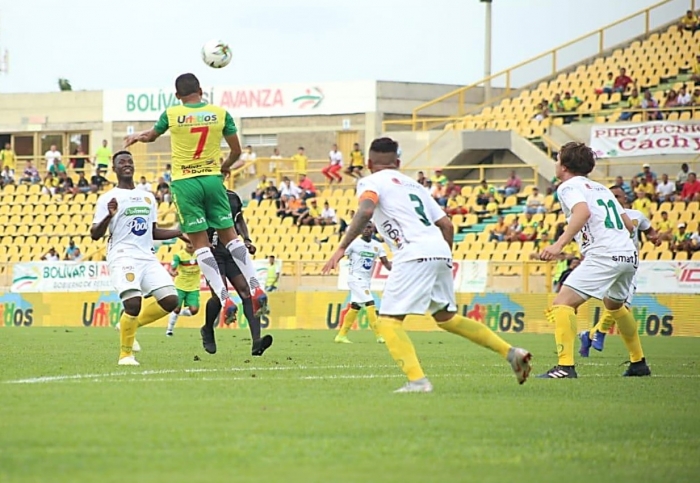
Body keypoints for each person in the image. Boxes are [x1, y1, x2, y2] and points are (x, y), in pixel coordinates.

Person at [322, 137, 532, 393]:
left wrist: (342, 247)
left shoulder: (370, 181)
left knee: (388, 322)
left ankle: (418, 381)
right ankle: (511, 353)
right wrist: (442, 258)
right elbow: (447, 225)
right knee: (446, 319)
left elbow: (366, 210)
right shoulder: (416, 186)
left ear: (368, 163)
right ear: (397, 162)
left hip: (412, 253)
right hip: (440, 251)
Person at [124, 73, 267, 326]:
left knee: (200, 243)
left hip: (185, 183)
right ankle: (255, 287)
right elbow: (236, 151)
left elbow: (151, 136)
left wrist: (138, 136)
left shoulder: (172, 114)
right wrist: (225, 167)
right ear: (201, 91)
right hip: (212, 179)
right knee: (231, 236)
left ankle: (225, 300)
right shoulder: (220, 114)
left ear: (177, 95)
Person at [537, 142, 650, 378]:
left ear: (565, 166)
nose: (556, 164)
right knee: (615, 306)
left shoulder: (568, 187)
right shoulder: (601, 189)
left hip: (605, 254)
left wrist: (559, 245)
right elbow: (629, 224)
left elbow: (582, 212)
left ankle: (565, 367)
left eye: (557, 160)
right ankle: (638, 363)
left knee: (562, 303)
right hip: (627, 254)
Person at [90, 151, 182, 366]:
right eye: (121, 162)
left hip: (146, 256)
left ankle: (127, 325)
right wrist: (109, 216)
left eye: (130, 161)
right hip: (122, 255)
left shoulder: (147, 197)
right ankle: (125, 355)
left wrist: (179, 232)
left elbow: (153, 232)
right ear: (114, 169)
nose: (127, 164)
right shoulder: (107, 199)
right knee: (133, 304)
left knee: (171, 300)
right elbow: (95, 234)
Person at [579, 185, 661, 357]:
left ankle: (594, 334)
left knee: (622, 304)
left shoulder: (636, 216)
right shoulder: (600, 218)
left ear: (625, 199)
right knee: (618, 305)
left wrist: (654, 238)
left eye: (619, 196)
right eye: (613, 196)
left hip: (630, 264)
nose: (616, 199)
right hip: (610, 264)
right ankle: (596, 333)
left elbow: (649, 229)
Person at [202, 189, 273, 356]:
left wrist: (246, 239)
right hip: (212, 253)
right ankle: (207, 329)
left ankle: (257, 341)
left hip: (231, 251)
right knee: (220, 296)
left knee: (246, 292)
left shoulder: (233, 197)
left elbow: (239, 219)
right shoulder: (203, 197)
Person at [334, 222, 392, 344]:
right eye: (364, 227)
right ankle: (379, 335)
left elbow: (386, 264)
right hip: (355, 278)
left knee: (355, 307)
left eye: (369, 227)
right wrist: (333, 263)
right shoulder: (354, 244)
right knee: (370, 303)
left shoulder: (378, 246)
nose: (366, 229)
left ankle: (341, 335)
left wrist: (399, 270)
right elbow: (341, 253)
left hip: (366, 281)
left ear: (374, 230)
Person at [166, 242, 201, 337]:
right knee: (176, 308)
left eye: (191, 242)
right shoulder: (179, 255)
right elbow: (172, 268)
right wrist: (172, 272)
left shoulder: (199, 254)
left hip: (194, 287)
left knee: (194, 310)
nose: (190, 244)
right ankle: (169, 330)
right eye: (187, 242)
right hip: (180, 286)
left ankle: (178, 313)